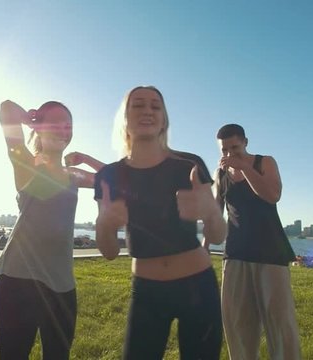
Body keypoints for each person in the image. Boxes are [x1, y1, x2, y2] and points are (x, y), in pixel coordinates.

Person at [94, 86, 226, 359]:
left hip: (198, 287)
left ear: (164, 119)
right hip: (146, 291)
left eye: (155, 106)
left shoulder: (189, 165)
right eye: (138, 105)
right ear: (125, 117)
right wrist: (105, 225)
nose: (147, 111)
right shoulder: (108, 176)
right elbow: (108, 252)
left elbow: (219, 234)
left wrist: (212, 213)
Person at [0, 99, 104, 360]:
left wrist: (86, 158)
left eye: (66, 126)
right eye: (53, 122)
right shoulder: (26, 163)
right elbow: (6, 109)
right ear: (38, 128)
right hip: (17, 279)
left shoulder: (73, 174)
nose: (61, 130)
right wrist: (30, 119)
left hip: (62, 285)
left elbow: (112, 178)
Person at [214, 123, 301, 360]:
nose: (229, 155)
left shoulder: (265, 162)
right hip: (235, 254)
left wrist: (244, 167)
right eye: (224, 150)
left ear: (246, 142)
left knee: (280, 325)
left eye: (235, 148)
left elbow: (273, 195)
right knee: (238, 326)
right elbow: (216, 214)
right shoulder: (220, 173)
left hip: (271, 253)